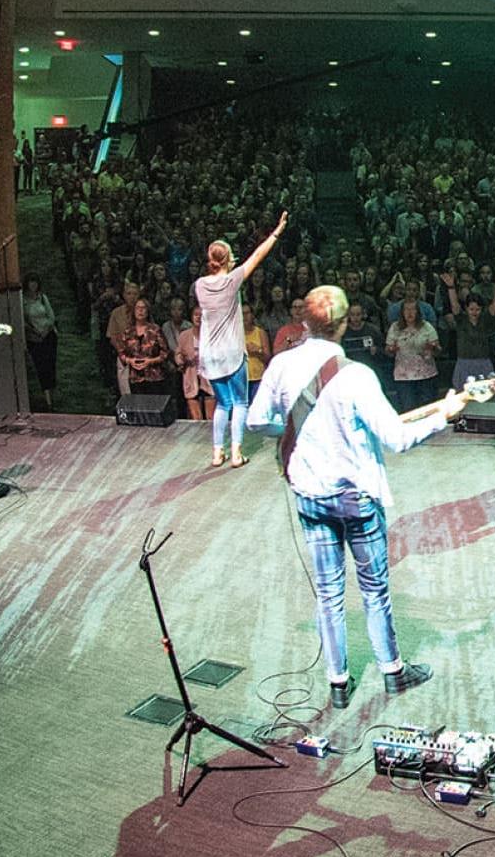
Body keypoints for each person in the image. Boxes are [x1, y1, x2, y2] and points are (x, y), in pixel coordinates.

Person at [247, 286, 460, 708]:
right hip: (356, 498)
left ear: (304, 322)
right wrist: (443, 416)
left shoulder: (282, 364)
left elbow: (256, 421)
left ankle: (338, 682)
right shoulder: (356, 375)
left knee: (328, 592)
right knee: (374, 590)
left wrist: (290, 433)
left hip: (310, 495)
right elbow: (397, 439)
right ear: (344, 323)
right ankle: (393, 672)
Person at [194, 211, 287, 468]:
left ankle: (216, 452)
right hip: (232, 353)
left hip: (209, 355)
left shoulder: (200, 285)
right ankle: (236, 453)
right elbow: (258, 256)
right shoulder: (232, 281)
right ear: (227, 260)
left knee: (222, 404)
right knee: (240, 402)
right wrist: (277, 232)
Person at [385, 299, 439, 413]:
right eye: (406, 309)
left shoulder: (427, 326)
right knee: (408, 410)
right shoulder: (395, 327)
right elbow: (388, 351)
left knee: (427, 409)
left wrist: (432, 348)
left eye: (413, 309)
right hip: (404, 376)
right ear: (402, 312)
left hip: (425, 375)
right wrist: (392, 349)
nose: (410, 313)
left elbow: (438, 350)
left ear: (418, 312)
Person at [116, 298, 173, 398]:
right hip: (135, 377)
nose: (140, 311)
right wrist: (130, 361)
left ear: (148, 311)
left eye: (143, 308)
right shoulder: (128, 332)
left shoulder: (155, 330)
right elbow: (121, 353)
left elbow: (165, 352)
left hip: (154, 376)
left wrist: (150, 361)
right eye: (138, 308)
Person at [22, 276, 58, 411]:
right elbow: (23, 321)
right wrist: (34, 331)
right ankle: (47, 397)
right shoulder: (23, 302)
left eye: (35, 283)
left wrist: (46, 329)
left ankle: (52, 392)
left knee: (50, 364)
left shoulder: (42, 298)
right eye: (31, 283)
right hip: (34, 338)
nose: (33, 286)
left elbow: (51, 316)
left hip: (48, 335)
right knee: (41, 366)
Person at [177, 305, 210, 421]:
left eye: (201, 315)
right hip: (191, 377)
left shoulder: (212, 335)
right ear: (191, 317)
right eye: (196, 315)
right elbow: (178, 355)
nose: (198, 318)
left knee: (210, 418)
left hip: (209, 379)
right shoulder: (184, 335)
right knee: (196, 418)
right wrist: (181, 361)